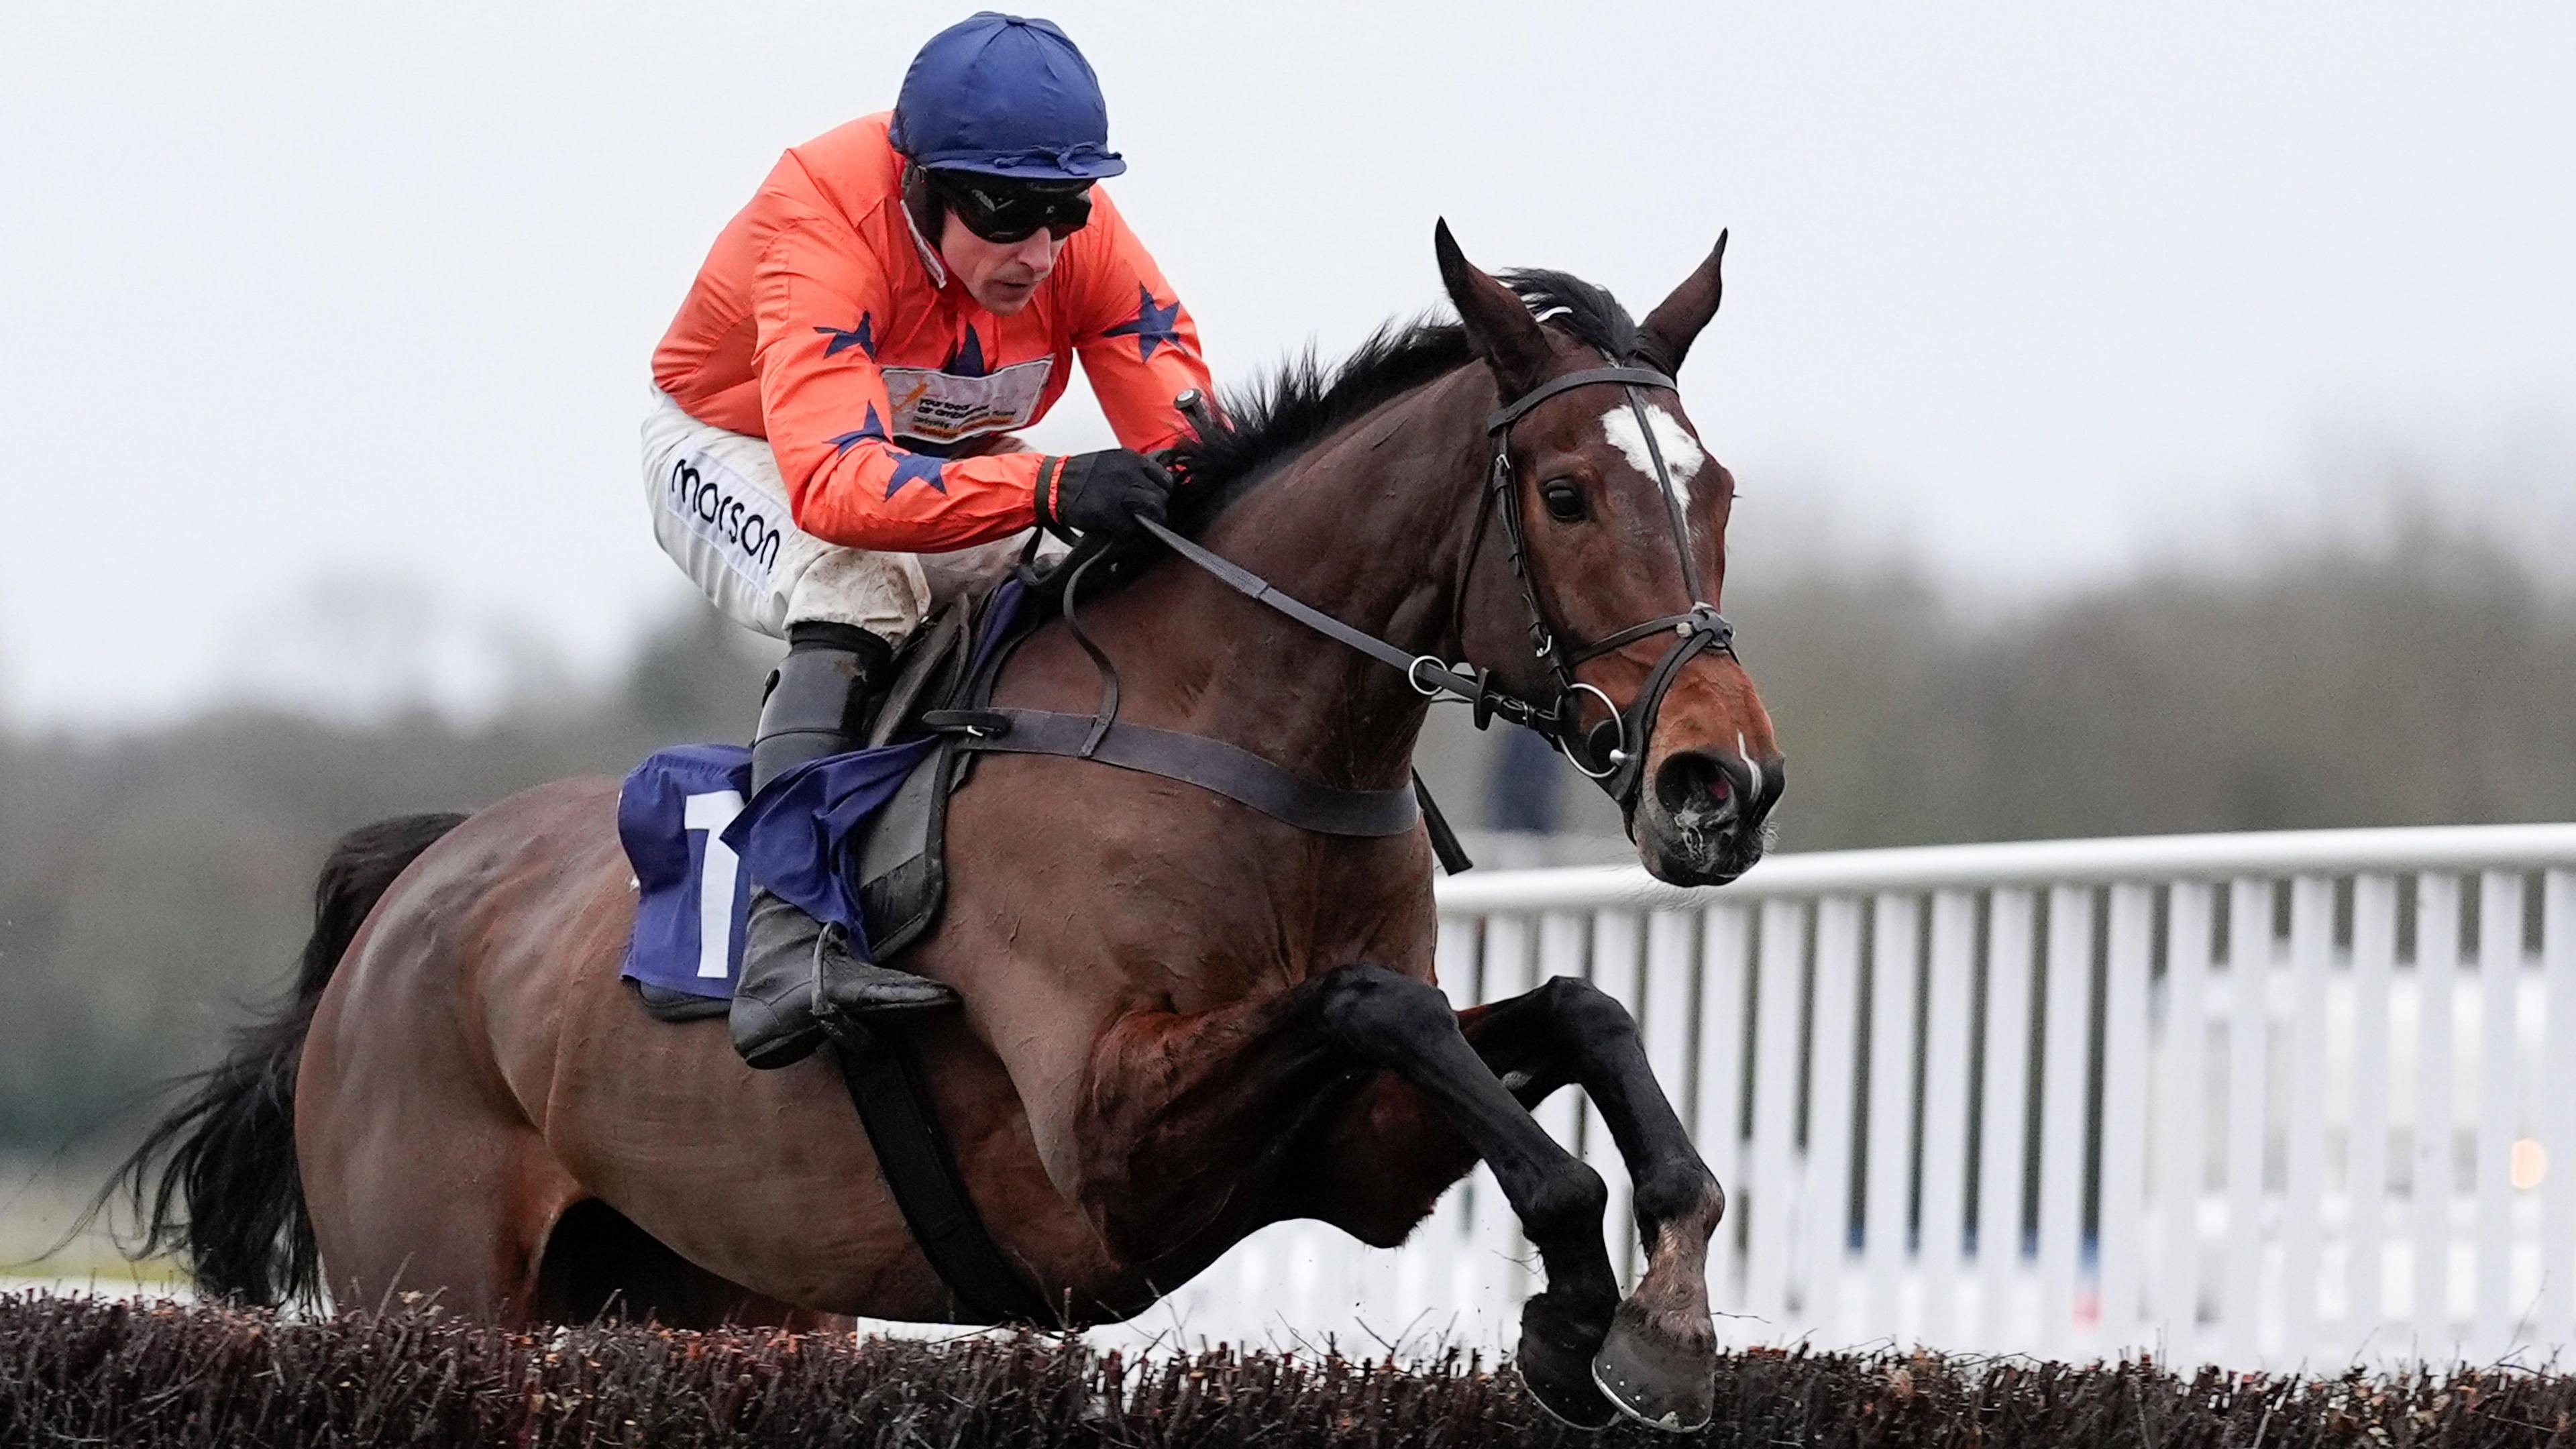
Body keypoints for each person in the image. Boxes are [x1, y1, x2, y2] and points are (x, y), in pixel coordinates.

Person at [643, 12, 1216, 1069]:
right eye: (1007, 214)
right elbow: (833, 486)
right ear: (918, 183)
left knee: (1075, 582)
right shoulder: (819, 217)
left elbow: (1188, 437)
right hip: (737, 444)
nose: (1041, 250)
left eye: (1065, 210)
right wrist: (1047, 481)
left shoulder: (1066, 234)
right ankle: (783, 935)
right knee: (861, 583)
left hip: (918, 451)